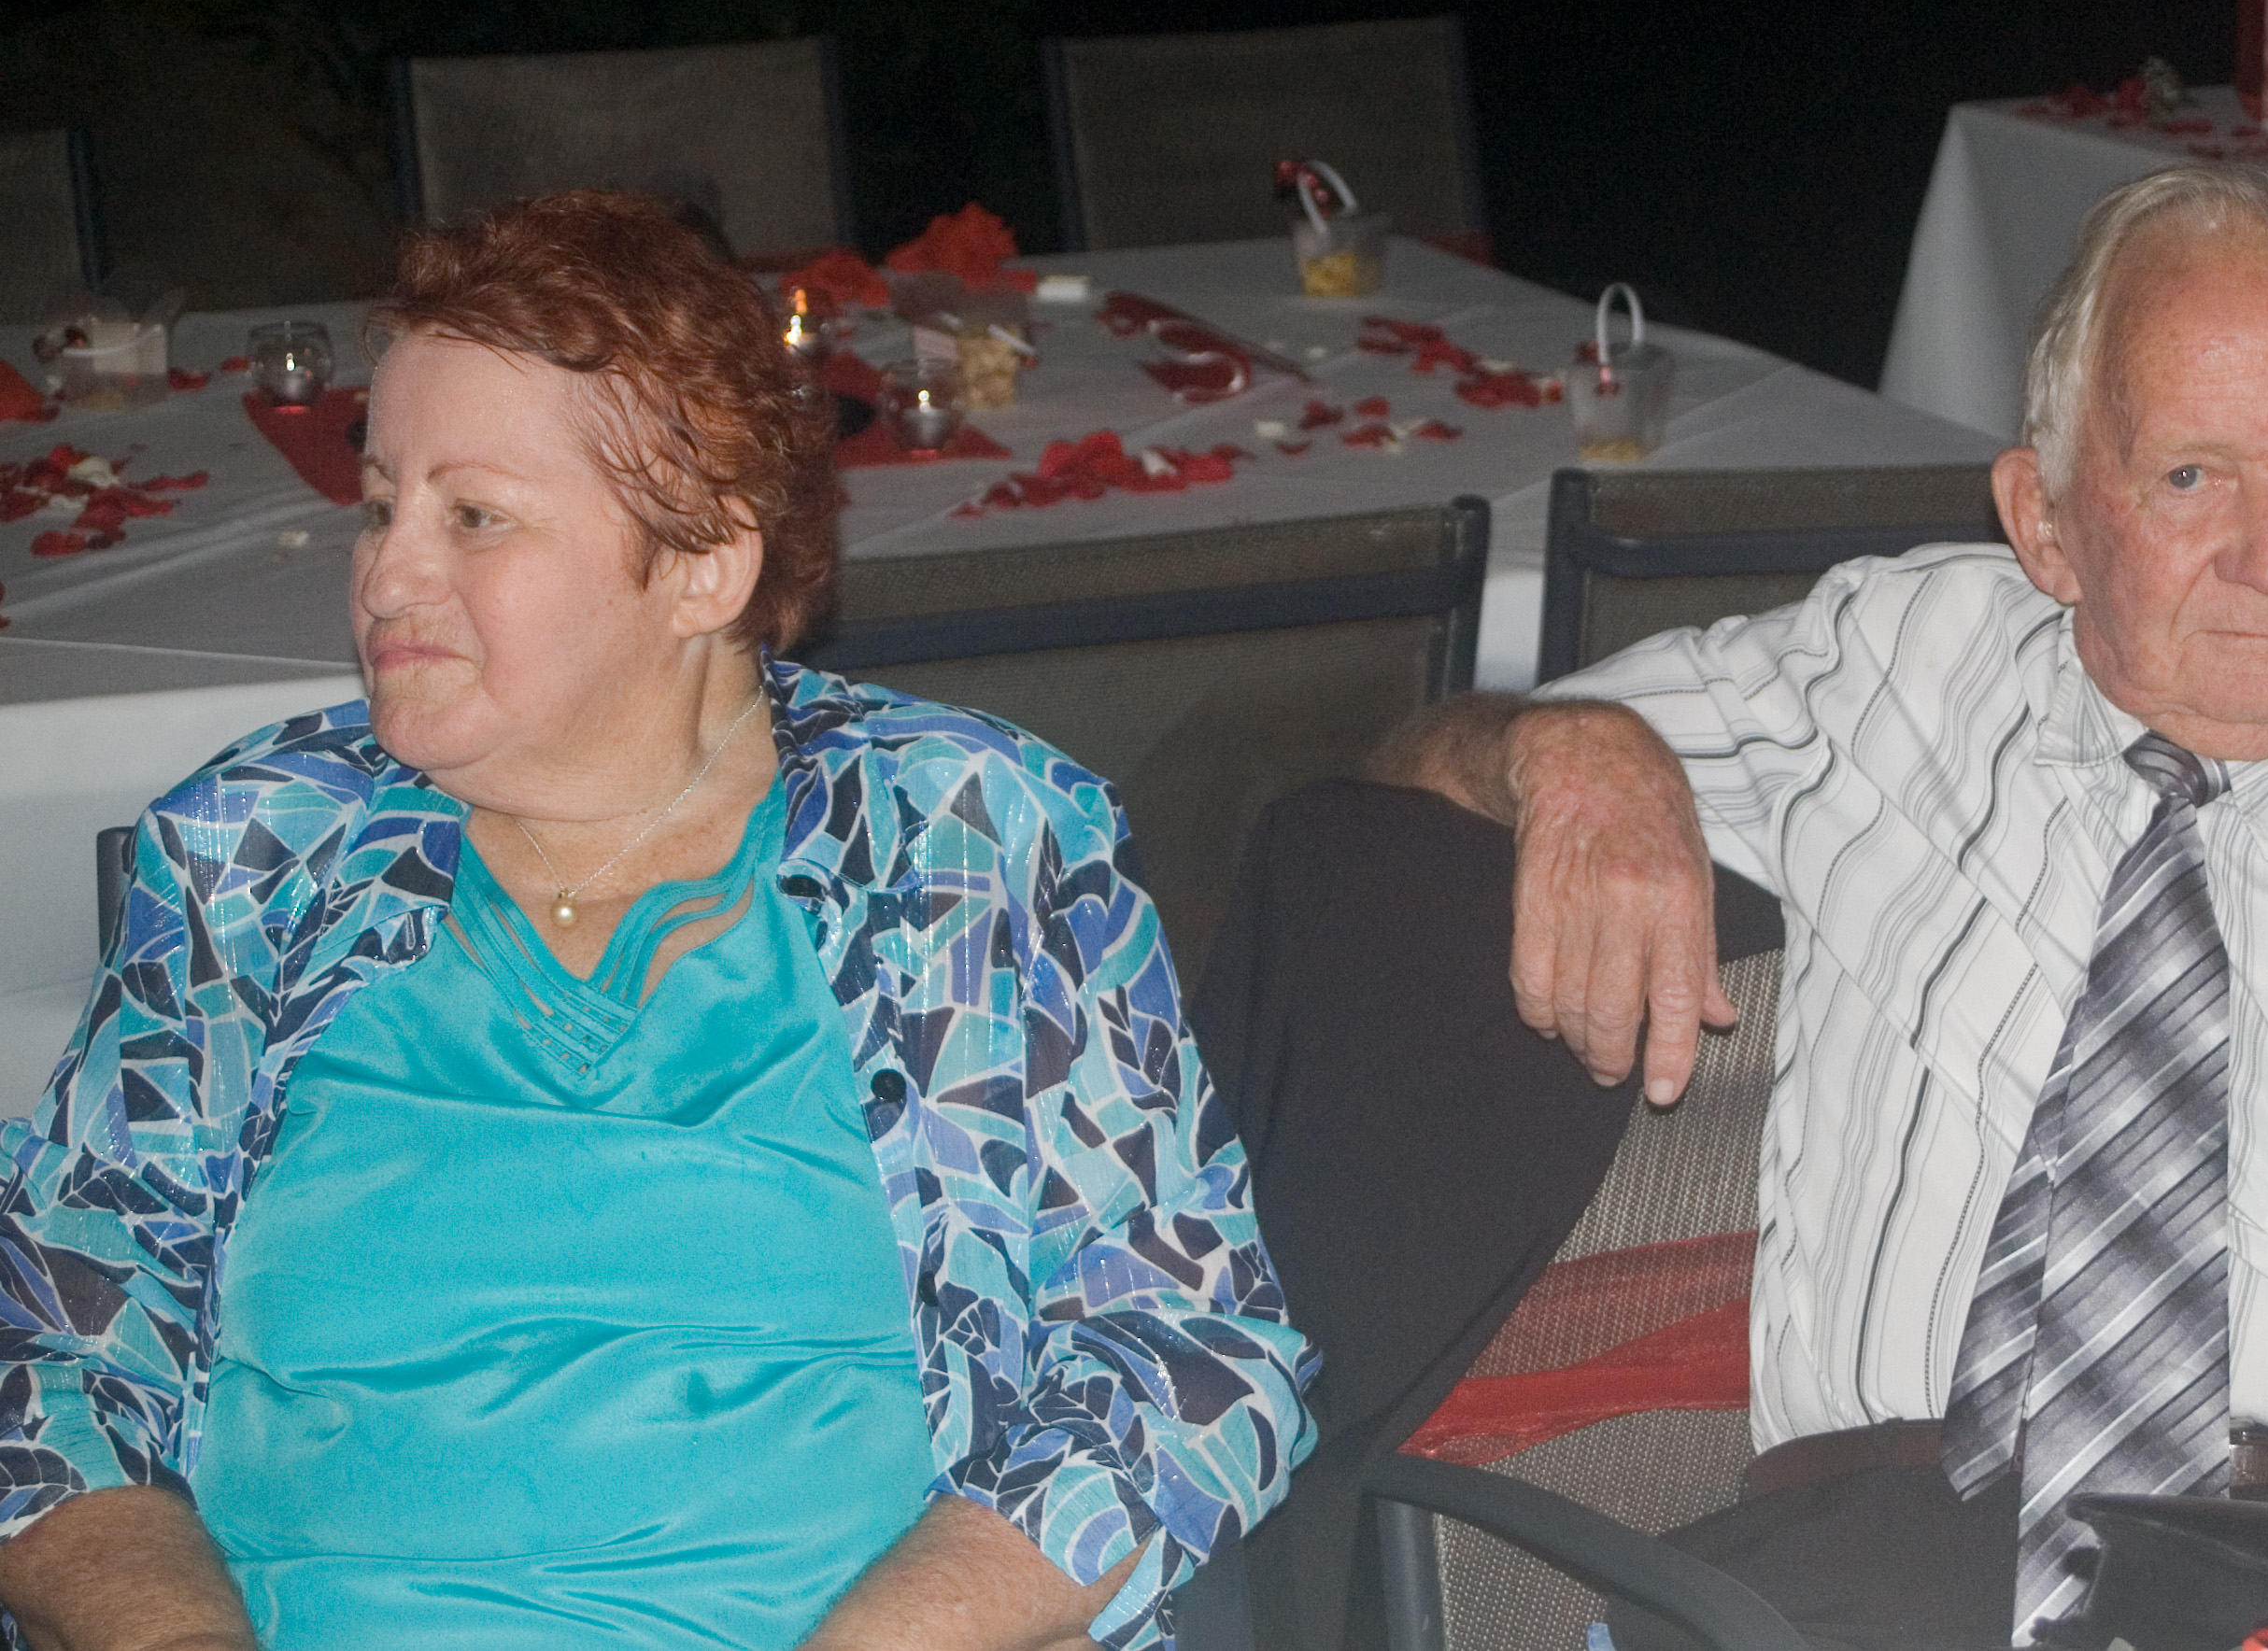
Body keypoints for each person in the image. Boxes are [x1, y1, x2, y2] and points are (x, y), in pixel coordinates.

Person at [1343, 164, 2268, 1646]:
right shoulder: (1889, 668)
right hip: (1861, 1574)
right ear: (2047, 521)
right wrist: (1572, 752)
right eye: (2193, 477)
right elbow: (1400, 794)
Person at [0, 191, 1313, 1651]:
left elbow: (1185, 1357)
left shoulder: (960, 837)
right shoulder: (261, 852)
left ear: (703, 565)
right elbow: (50, 1336)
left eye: (473, 516)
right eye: (380, 505)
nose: (386, 574)